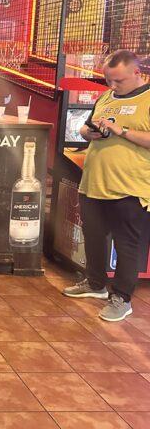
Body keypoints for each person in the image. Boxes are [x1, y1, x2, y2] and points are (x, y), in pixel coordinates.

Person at [62, 50, 150, 322]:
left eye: (118, 81)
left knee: (128, 246)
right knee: (94, 238)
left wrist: (121, 131)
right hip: (94, 183)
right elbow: (85, 129)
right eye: (108, 80)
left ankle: (122, 298)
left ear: (137, 72)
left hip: (131, 187)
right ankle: (95, 283)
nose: (112, 86)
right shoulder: (106, 97)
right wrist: (90, 132)